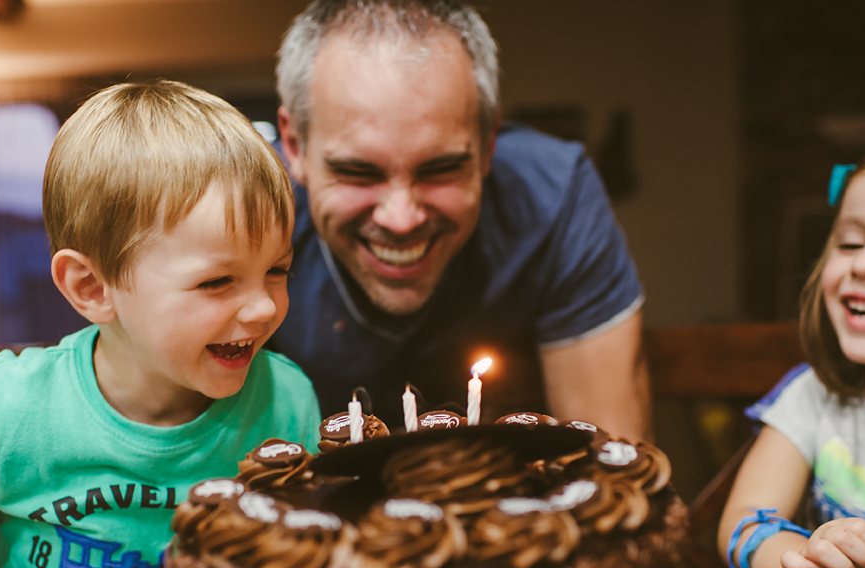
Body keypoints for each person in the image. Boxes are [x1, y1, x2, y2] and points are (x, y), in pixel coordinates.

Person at [0, 80, 320, 568]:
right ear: (92, 289)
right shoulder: (9, 412)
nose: (264, 309)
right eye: (218, 282)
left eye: (277, 271)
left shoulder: (288, 401)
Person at [271, 0, 651, 438]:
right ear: (295, 145)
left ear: (488, 142)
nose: (401, 219)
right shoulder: (247, 213)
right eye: (358, 172)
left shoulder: (554, 197)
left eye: (440, 169)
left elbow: (610, 469)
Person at [718, 138, 865, 568]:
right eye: (849, 242)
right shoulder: (812, 396)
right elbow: (741, 525)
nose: (864, 265)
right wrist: (806, 566)